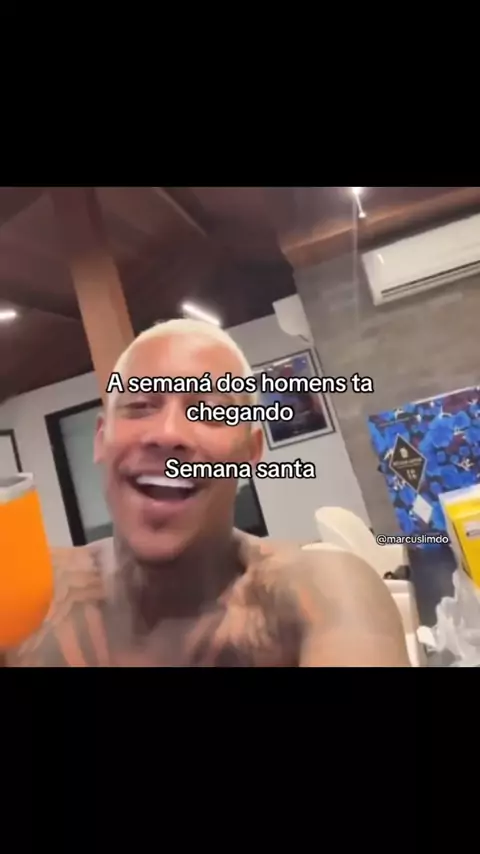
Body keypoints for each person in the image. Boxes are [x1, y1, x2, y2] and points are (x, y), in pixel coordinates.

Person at [8, 320, 410, 666]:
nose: (168, 434)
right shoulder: (27, 593)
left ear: (250, 453)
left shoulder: (320, 590)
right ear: (100, 439)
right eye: (141, 405)